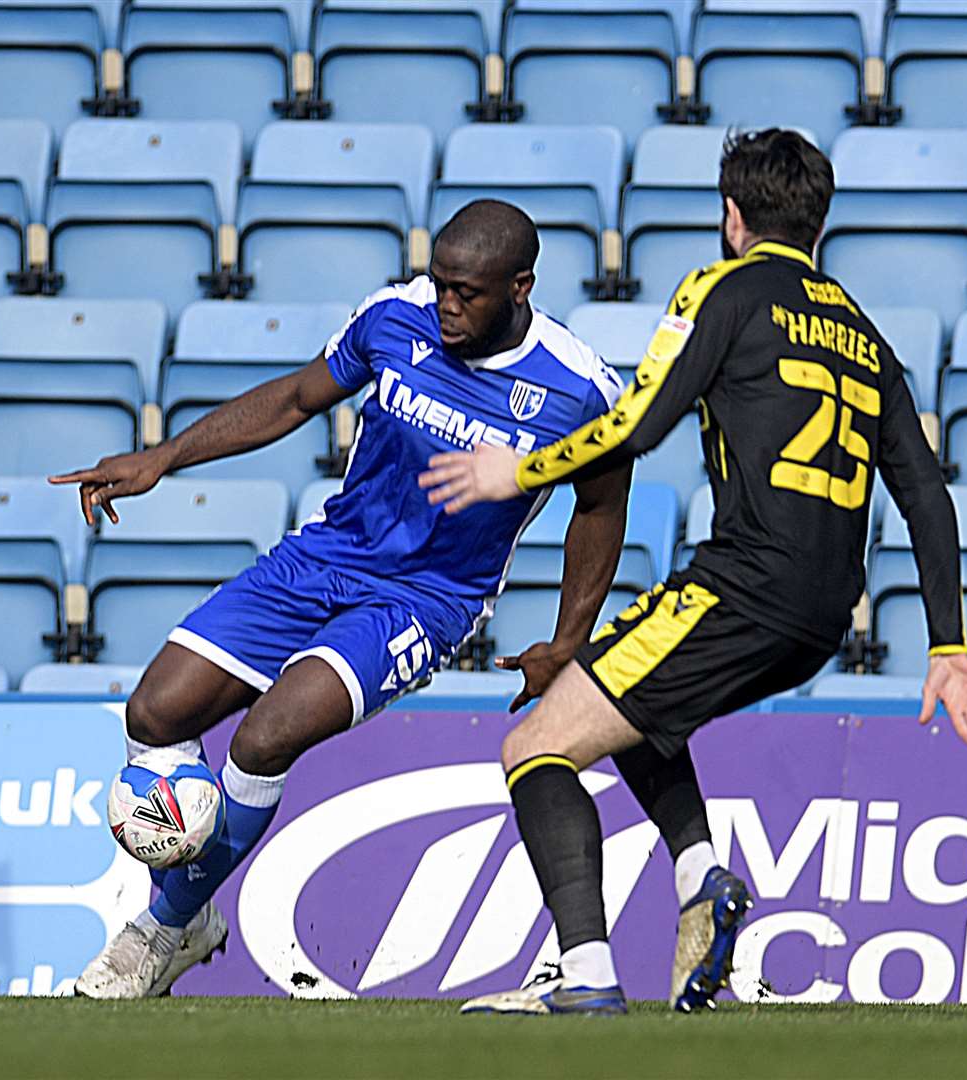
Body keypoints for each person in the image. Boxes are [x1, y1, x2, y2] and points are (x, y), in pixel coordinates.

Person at [419, 129, 967, 1016]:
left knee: (533, 748)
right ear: (816, 223)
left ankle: (583, 979)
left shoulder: (722, 290)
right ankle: (701, 881)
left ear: (732, 217)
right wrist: (947, 643)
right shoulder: (862, 332)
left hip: (742, 584)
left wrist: (519, 468)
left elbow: (637, 424)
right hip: (821, 616)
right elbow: (925, 490)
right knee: (633, 712)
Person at [50, 199, 634, 999]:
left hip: (425, 601)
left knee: (264, 739)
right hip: (324, 556)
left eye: (467, 291)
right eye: (440, 285)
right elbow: (295, 399)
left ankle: (162, 930)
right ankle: (189, 891)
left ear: (521, 288)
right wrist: (163, 457)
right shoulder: (394, 319)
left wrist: (567, 642)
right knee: (153, 713)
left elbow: (599, 509)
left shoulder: (575, 389)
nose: (447, 304)